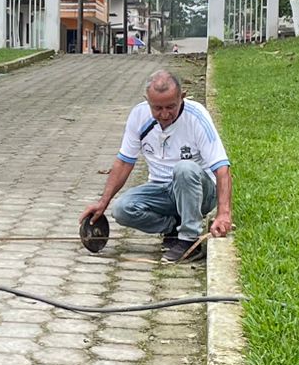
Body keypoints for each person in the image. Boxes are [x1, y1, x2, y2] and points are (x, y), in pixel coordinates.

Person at [80, 69, 232, 263]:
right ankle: (173, 227)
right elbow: (124, 161)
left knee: (184, 169)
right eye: (157, 108)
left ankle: (189, 240)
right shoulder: (139, 115)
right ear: (148, 101)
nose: (165, 114)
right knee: (121, 209)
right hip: (161, 189)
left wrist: (223, 213)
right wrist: (103, 202)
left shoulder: (197, 116)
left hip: (199, 192)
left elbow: (222, 167)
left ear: (182, 97)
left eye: (171, 107)